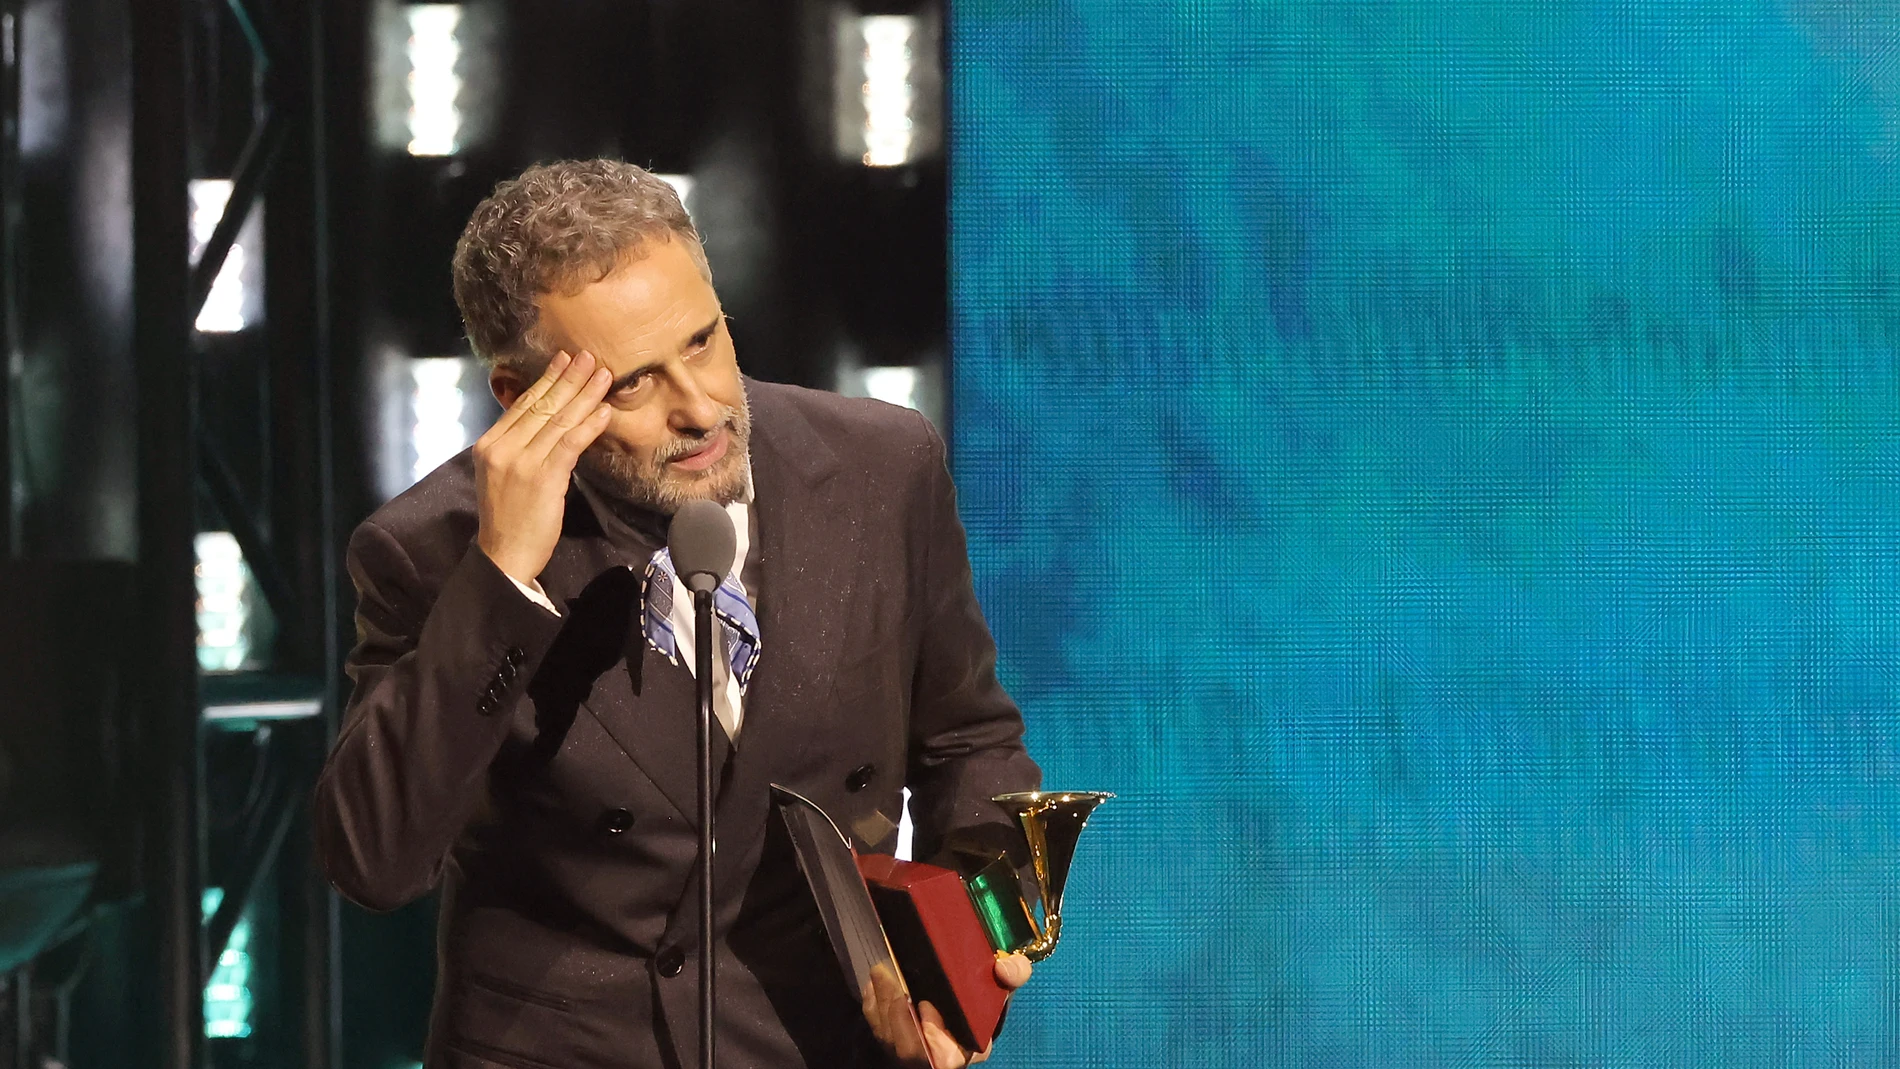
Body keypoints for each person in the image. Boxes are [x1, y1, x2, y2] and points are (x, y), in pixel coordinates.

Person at [312, 158, 1042, 1069]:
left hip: (819, 1036)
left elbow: (969, 741)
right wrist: (501, 576)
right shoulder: (428, 549)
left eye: (703, 341)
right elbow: (375, 862)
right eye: (630, 384)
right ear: (519, 395)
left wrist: (955, 949)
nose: (699, 409)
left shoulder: (880, 469)